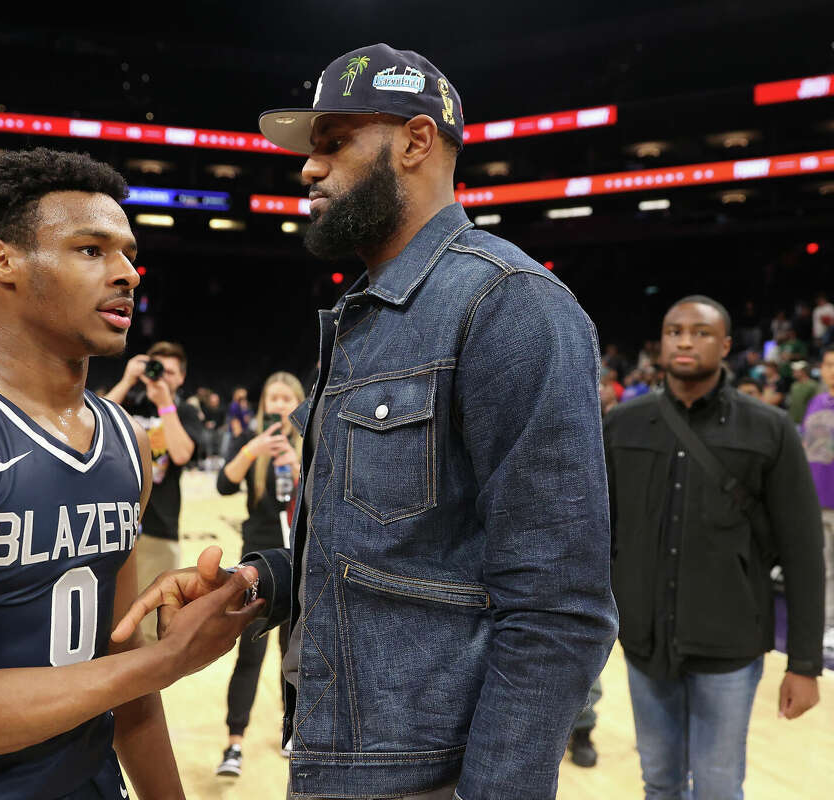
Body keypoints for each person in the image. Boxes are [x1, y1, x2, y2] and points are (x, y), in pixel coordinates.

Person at [116, 43, 618, 800]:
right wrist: (263, 581)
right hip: (335, 754)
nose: (309, 169)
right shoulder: (366, 315)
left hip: (427, 777)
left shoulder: (510, 304)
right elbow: (396, 550)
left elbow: (559, 608)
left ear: (417, 141)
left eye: (334, 142)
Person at [0, 149, 261, 800]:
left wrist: (149, 674)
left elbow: (124, 673)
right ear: (2, 261)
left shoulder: (123, 437)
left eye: (127, 253)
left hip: (87, 782)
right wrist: (164, 661)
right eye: (91, 250)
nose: (126, 273)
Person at [605, 295, 824, 799]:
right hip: (645, 646)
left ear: (725, 345)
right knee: (658, 783)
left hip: (730, 647)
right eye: (674, 330)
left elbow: (803, 553)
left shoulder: (768, 429)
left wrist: (804, 664)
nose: (685, 339)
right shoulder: (623, 425)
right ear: (660, 343)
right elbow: (604, 533)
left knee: (719, 787)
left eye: (700, 332)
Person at [213, 372, 304, 778]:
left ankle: (293, 732)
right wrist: (253, 449)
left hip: (301, 563)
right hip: (258, 567)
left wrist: (299, 468)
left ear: (300, 403)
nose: (280, 405)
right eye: (273, 397)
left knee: (296, 655)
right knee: (249, 655)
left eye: (288, 398)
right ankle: (234, 743)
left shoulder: (311, 444)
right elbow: (223, 485)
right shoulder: (251, 445)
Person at [106, 341, 205, 641]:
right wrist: (126, 380)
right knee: (111, 620)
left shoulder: (186, 411)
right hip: (118, 524)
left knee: (148, 628)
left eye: (170, 372)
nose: (162, 377)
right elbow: (94, 423)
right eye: (156, 369)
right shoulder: (132, 402)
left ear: (182, 378)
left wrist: (165, 404)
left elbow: (181, 454)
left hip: (160, 528)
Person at [800, 344, 834, 661]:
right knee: (823, 567)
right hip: (816, 498)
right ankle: (827, 625)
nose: (831, 370)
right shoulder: (815, 402)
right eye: (827, 364)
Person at [787, 360, 818, 426]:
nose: (794, 373)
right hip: (793, 420)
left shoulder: (812, 385)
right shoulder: (794, 385)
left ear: (803, 372)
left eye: (796, 371)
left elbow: (815, 404)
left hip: (806, 421)